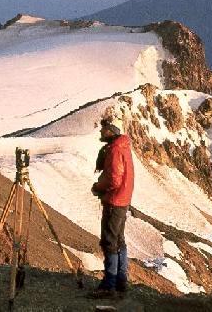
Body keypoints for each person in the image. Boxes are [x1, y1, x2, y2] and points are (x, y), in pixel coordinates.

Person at [90, 117, 135, 298]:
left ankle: (110, 284)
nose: (101, 131)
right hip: (123, 199)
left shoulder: (115, 150)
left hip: (115, 201)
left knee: (109, 241)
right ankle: (121, 280)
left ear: (112, 131)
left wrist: (98, 187)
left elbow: (114, 178)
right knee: (119, 240)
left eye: (104, 129)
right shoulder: (123, 147)